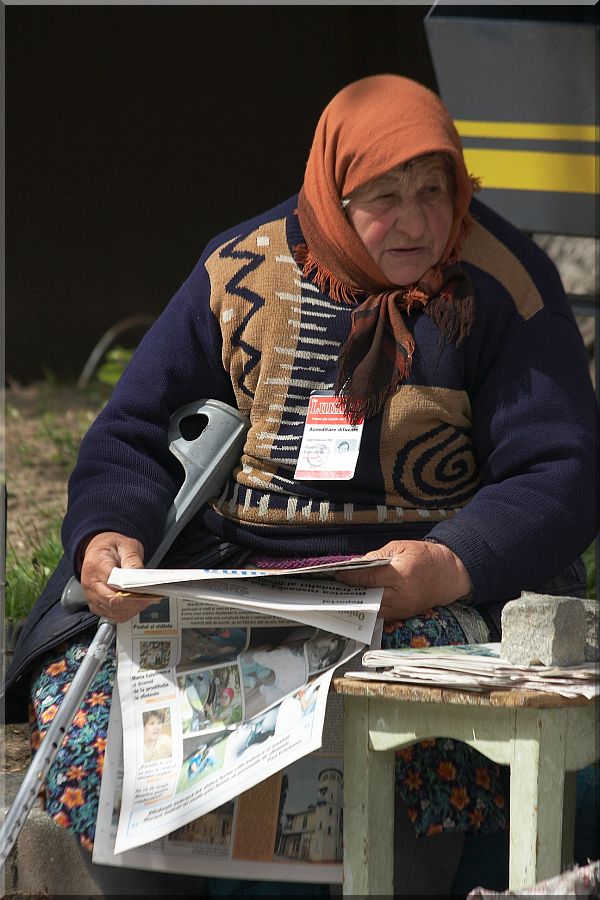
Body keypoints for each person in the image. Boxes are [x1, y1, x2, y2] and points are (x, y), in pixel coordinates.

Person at [4, 74, 597, 894]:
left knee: (376, 708)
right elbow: (131, 433)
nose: (417, 221)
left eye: (435, 191)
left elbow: (559, 469)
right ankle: (101, 867)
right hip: (236, 576)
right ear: (332, 191)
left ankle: (387, 861)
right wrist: (110, 535)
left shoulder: (502, 284)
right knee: (115, 694)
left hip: (417, 600)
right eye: (384, 197)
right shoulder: (239, 270)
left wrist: (449, 563)